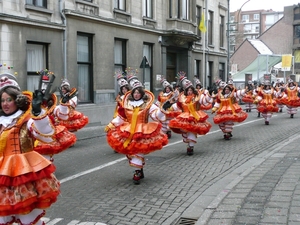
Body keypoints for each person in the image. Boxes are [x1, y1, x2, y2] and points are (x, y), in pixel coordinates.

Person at [0, 73, 60, 225]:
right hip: (2, 175)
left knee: (27, 217)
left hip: (24, 174)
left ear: (17, 100)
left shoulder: (26, 120)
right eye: (2, 100)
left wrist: (38, 113)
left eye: (9, 100)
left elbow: (47, 135)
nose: (5, 104)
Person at [105, 68, 168, 184]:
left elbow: (155, 115)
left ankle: (137, 172)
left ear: (142, 93)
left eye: (139, 92)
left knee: (138, 152)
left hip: (142, 130)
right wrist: (111, 125)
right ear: (132, 93)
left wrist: (163, 109)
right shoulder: (126, 104)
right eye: (135, 92)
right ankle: (139, 169)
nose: (137, 94)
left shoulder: (148, 104)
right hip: (128, 130)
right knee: (130, 152)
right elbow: (121, 117)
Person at [33, 69, 77, 161]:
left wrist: (64, 103)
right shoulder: (34, 104)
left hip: (49, 128)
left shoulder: (54, 107)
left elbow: (62, 113)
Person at [166, 71, 212, 155]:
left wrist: (209, 94)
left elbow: (205, 100)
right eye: (188, 90)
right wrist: (169, 107)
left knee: (192, 131)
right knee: (185, 132)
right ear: (186, 91)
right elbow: (178, 106)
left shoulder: (198, 97)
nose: (190, 92)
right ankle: (189, 144)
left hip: (195, 116)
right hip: (185, 116)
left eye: (191, 90)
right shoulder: (182, 98)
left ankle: (191, 147)